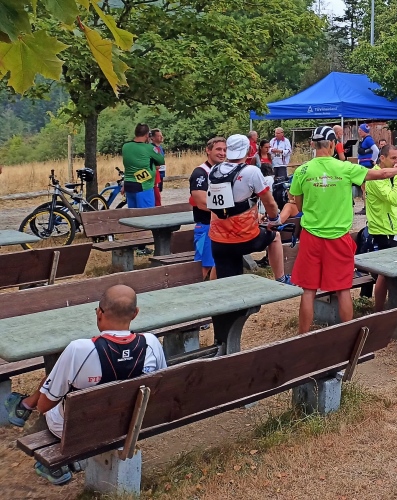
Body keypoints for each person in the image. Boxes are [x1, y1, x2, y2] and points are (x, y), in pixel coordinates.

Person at [3, 285, 167, 485]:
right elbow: (162, 386)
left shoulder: (79, 350)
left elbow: (44, 406)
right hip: (131, 423)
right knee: (56, 384)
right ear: (136, 313)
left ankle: (54, 459)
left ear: (99, 313)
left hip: (80, 430)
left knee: (50, 387)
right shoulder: (151, 343)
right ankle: (24, 406)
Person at [290, 126, 397, 334]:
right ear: (333, 144)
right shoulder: (344, 167)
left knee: (308, 290)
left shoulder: (302, 170)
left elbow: (299, 206)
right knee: (343, 288)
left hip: (311, 236)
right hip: (338, 236)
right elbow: (380, 174)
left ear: (312, 144)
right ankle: (347, 336)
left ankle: (302, 336)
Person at [207, 134, 289, 282]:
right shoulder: (251, 171)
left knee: (227, 283)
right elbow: (270, 203)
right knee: (275, 237)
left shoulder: (214, 170)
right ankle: (281, 279)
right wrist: (274, 221)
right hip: (245, 237)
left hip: (218, 239)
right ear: (248, 150)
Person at [365, 144, 397, 311]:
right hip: (382, 231)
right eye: (393, 158)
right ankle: (380, 309)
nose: (396, 162)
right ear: (382, 158)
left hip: (394, 229)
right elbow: (394, 199)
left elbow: (392, 209)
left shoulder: (389, 175)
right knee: (385, 272)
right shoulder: (375, 177)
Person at [189, 136, 227, 279]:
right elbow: (202, 203)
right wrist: (228, 211)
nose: (222, 153)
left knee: (220, 263)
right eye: (218, 149)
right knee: (204, 267)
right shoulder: (200, 173)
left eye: (225, 150)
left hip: (222, 225)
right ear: (208, 150)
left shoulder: (224, 171)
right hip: (207, 226)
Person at [121, 123, 164, 208]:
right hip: (144, 186)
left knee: (133, 214)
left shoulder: (125, 146)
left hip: (129, 185)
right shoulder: (149, 148)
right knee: (146, 214)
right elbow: (161, 160)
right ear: (147, 135)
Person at [356, 124, 378, 215]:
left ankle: (366, 207)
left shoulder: (368, 139)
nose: (359, 132)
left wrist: (373, 160)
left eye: (360, 130)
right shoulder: (365, 139)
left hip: (366, 166)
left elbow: (376, 150)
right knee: (364, 187)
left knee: (365, 188)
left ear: (364, 131)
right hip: (364, 165)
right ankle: (367, 207)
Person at [149, 128, 166, 206]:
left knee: (159, 192)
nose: (161, 137)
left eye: (161, 135)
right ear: (152, 138)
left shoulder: (161, 148)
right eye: (159, 136)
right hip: (154, 174)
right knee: (155, 193)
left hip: (161, 174)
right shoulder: (151, 148)